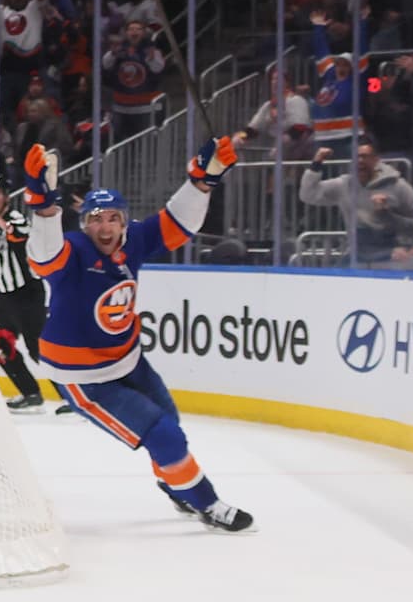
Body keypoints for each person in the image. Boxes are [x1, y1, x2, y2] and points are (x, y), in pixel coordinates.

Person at [21, 138, 255, 532]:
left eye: (112, 218)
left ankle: (176, 484)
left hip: (129, 359)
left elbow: (179, 222)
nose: (104, 226)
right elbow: (43, 258)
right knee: (165, 437)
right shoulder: (75, 251)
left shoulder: (136, 242)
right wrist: (43, 208)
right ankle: (209, 504)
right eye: (95, 219)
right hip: (85, 379)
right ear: (84, 224)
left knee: (171, 424)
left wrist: (203, 180)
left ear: (124, 222)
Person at [0, 174, 47, 412]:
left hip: (27, 293)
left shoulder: (14, 218)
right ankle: (31, 393)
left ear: (6, 197)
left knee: (39, 348)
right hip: (5, 295)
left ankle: (74, 396)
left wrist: (1, 223)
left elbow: (22, 235)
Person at [298, 140, 413, 267]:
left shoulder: (397, 186)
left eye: (365, 156)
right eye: (356, 157)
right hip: (357, 254)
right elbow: (308, 195)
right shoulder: (344, 184)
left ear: (376, 160)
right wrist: (316, 164)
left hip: (392, 254)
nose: (360, 160)